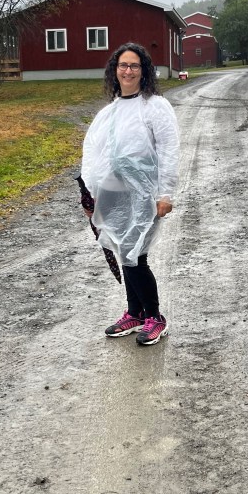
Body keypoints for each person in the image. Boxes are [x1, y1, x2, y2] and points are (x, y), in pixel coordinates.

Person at [80, 42, 180, 346]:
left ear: (144, 70)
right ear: (115, 70)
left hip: (143, 194)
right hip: (112, 194)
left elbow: (168, 149)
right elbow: (93, 154)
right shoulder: (108, 113)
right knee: (125, 253)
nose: (128, 70)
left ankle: (155, 318)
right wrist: (90, 195)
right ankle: (135, 313)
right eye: (123, 65)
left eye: (134, 65)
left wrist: (165, 193)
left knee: (136, 255)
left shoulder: (155, 107)